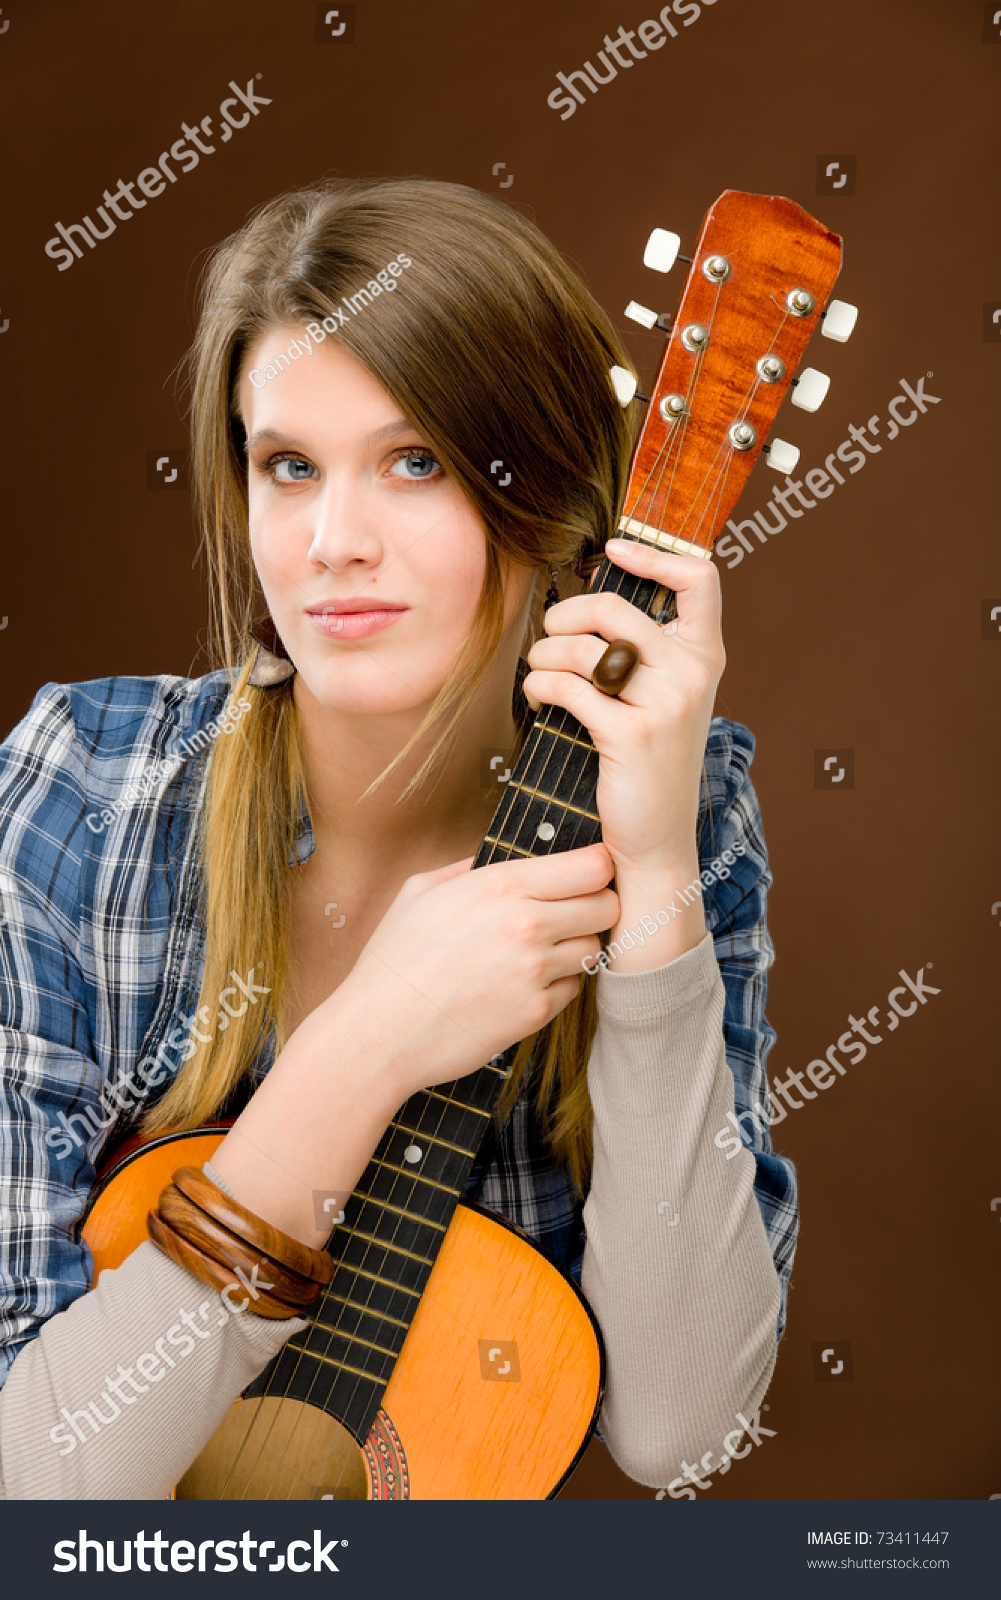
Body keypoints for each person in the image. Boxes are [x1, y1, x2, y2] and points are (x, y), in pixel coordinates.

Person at [0, 178, 796, 1500]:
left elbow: (679, 1433)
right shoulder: (82, 790)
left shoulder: (679, 806)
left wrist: (653, 887)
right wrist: (367, 1043)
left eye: (415, 461)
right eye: (288, 467)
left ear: (541, 498)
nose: (331, 543)